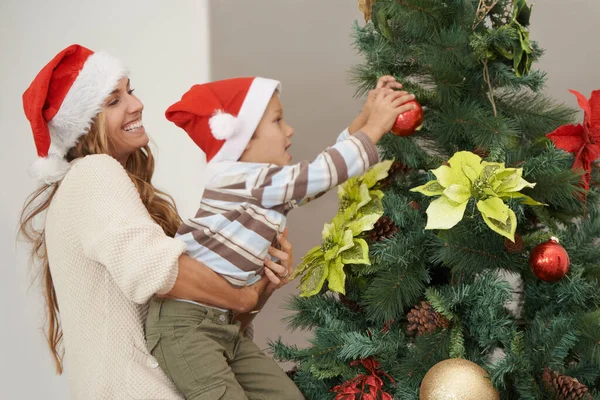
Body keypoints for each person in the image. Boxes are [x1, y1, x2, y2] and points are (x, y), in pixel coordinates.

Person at [19, 44, 294, 400]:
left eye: (129, 91)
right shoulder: (92, 174)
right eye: (113, 100)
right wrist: (242, 296)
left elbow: (205, 329)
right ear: (84, 125)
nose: (136, 104)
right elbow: (161, 273)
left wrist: (261, 285)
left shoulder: (122, 194)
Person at [144, 76, 416, 399]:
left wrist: (366, 119)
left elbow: (320, 178)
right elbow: (320, 174)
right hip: (185, 329)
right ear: (242, 141)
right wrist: (377, 128)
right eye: (277, 120)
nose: (289, 130)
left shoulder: (266, 187)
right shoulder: (245, 180)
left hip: (224, 324)